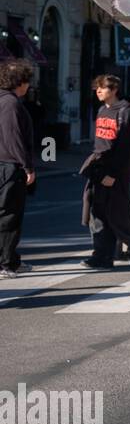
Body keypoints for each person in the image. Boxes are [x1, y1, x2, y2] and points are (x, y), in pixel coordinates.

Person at [79, 75, 130, 270]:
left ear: (114, 90)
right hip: (99, 169)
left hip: (115, 172)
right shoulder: (102, 110)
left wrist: (114, 174)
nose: (98, 91)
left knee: (118, 215)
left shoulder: (125, 112)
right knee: (97, 214)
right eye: (97, 88)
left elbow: (125, 147)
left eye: (102, 88)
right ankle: (102, 256)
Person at [0, 60, 36, 278]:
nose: (28, 86)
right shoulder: (11, 104)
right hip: (9, 165)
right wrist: (28, 166)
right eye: (27, 82)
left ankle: (11, 259)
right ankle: (5, 263)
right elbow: (14, 138)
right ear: (19, 82)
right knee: (9, 215)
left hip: (4, 163)